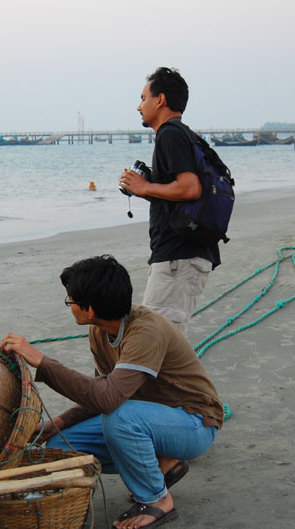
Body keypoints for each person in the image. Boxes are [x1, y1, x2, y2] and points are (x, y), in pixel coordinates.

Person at [1, 255, 223, 529]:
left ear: (90, 310)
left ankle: (157, 500)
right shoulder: (100, 331)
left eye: (71, 301)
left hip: (195, 422)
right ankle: (163, 464)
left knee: (120, 418)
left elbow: (108, 399)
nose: (70, 305)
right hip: (151, 419)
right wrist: (56, 424)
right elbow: (99, 395)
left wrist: (42, 362)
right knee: (62, 445)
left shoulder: (146, 332)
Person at [119, 67, 220, 336]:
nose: (139, 106)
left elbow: (190, 188)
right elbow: (182, 191)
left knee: (159, 341)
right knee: (164, 342)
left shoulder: (170, 134)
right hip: (181, 254)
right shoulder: (182, 134)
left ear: (160, 100)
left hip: (179, 257)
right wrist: (144, 188)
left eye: (143, 98)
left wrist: (144, 186)